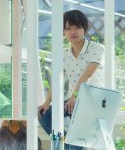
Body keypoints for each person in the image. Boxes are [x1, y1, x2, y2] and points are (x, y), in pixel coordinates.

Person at [37, 9, 105, 138]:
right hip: (73, 101)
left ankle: (75, 147)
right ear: (63, 31)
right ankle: (71, 145)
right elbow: (57, 80)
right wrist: (46, 103)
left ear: (84, 28)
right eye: (68, 28)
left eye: (77, 27)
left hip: (95, 99)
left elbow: (87, 76)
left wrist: (74, 96)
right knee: (44, 115)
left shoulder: (97, 48)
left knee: (75, 111)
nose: (72, 32)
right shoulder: (63, 54)